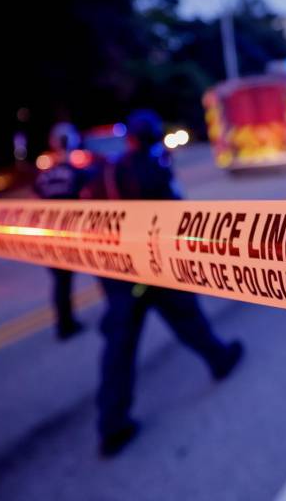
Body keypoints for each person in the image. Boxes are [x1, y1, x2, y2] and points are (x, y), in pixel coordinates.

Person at [94, 109, 244, 457]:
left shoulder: (109, 171)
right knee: (186, 317)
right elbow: (176, 214)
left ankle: (112, 424)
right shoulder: (153, 169)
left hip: (118, 268)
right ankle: (219, 359)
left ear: (130, 138)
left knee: (120, 345)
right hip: (151, 264)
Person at [34, 122, 88, 340]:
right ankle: (66, 325)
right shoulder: (77, 173)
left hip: (50, 235)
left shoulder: (43, 176)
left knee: (60, 281)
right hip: (71, 235)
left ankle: (64, 323)